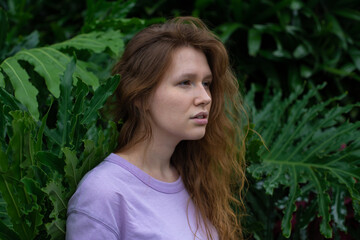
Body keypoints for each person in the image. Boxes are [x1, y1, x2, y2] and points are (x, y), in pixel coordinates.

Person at [66, 16, 247, 240]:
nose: (205, 97)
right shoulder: (104, 193)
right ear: (140, 95)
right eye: (185, 82)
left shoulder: (194, 178)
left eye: (206, 83)